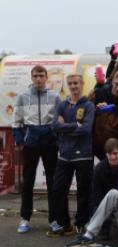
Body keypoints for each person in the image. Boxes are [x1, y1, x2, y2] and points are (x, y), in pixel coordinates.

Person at [12, 65, 61, 233]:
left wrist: (57, 138)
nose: (38, 79)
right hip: (31, 144)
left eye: (41, 75)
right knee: (28, 182)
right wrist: (20, 140)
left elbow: (60, 120)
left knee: (52, 183)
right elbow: (16, 121)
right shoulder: (22, 97)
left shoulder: (55, 97)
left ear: (46, 77)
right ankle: (25, 218)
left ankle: (54, 219)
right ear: (31, 78)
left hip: (50, 143)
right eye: (35, 76)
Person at [47, 73, 95, 236]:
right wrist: (75, 125)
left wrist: (66, 126)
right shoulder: (62, 105)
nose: (73, 86)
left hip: (83, 155)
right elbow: (54, 126)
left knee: (83, 191)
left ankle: (80, 223)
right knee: (58, 190)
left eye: (76, 83)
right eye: (70, 84)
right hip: (64, 155)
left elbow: (86, 129)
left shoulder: (88, 106)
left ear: (82, 84)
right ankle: (64, 224)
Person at [91, 70, 118, 160]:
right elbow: (83, 117)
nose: (117, 88)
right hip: (94, 145)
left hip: (115, 150)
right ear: (112, 81)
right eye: (116, 84)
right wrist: (95, 111)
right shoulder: (98, 93)